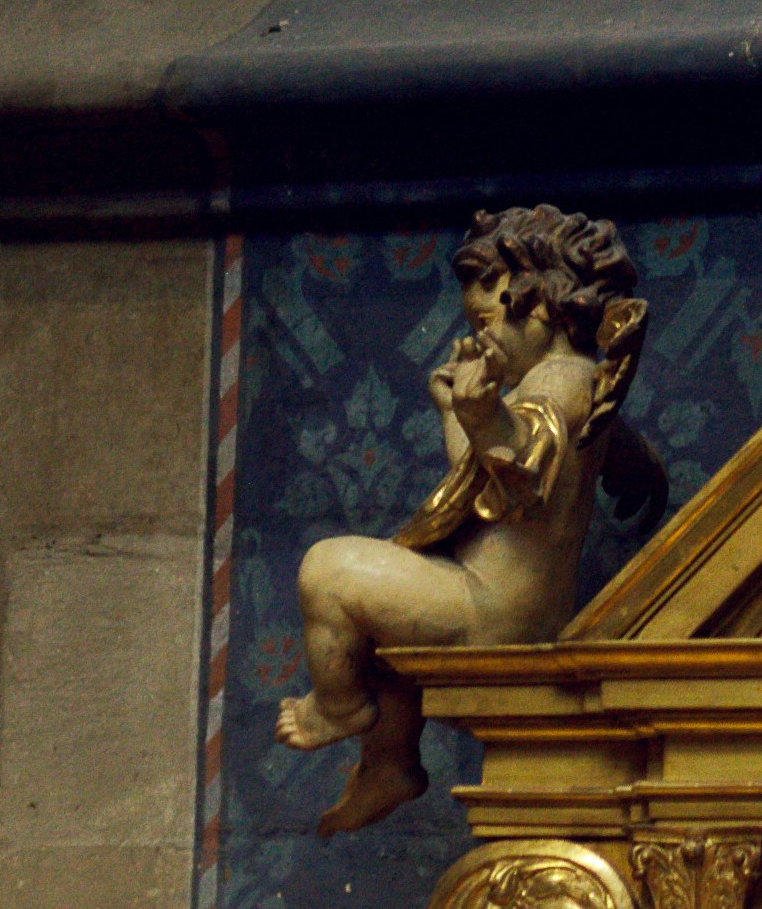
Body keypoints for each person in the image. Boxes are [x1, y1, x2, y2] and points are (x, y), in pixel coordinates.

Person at [274, 207, 647, 832]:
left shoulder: (554, 382)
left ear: (542, 306)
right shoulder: (582, 379)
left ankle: (338, 709)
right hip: (519, 608)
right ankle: (391, 762)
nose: (482, 336)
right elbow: (511, 467)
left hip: (493, 612)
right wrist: (638, 471)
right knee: (387, 637)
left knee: (328, 571)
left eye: (486, 318)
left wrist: (477, 415)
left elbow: (517, 471)